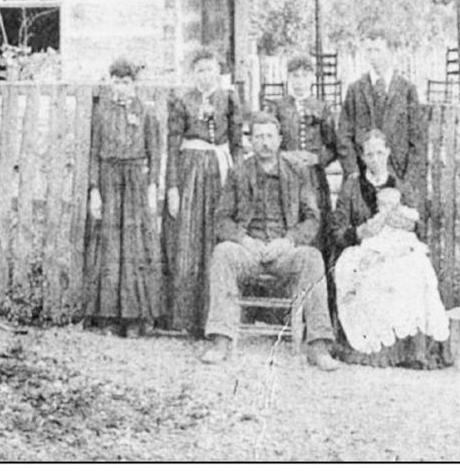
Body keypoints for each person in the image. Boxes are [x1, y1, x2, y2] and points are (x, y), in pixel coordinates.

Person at [199, 112, 340, 371]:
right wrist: (244, 240)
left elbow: (312, 218)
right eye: (258, 136)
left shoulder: (297, 172)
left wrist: (289, 241)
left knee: (312, 258)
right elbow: (222, 219)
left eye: (269, 136)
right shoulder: (238, 173)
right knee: (222, 253)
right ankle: (221, 339)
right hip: (248, 251)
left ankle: (319, 346)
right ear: (251, 141)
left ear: (280, 139)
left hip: (284, 252)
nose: (264, 142)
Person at [331, 129, 451, 368]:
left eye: (379, 153)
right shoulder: (352, 186)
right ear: (363, 158)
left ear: (387, 153)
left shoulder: (401, 186)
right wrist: (361, 231)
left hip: (397, 248)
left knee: (416, 269)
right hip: (362, 249)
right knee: (368, 275)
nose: (375, 159)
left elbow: (417, 224)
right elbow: (337, 231)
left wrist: (403, 224)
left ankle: (412, 349)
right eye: (369, 155)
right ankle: (378, 349)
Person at [164, 48, 243, 336]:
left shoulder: (229, 99)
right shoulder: (182, 101)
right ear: (193, 73)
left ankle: (217, 318)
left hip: (221, 174)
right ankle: (187, 319)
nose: (205, 75)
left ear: (218, 73)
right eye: (200, 70)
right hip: (191, 175)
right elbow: (172, 146)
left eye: (210, 69)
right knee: (189, 241)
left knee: (216, 239)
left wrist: (237, 181)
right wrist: (172, 186)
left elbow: (236, 145)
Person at [85, 58, 163, 335]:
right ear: (110, 83)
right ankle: (107, 316)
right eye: (116, 81)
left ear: (134, 84)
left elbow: (155, 153)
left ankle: (134, 318)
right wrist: (94, 190)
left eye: (126, 82)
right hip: (108, 180)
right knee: (109, 245)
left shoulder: (146, 113)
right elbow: (94, 153)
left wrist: (153, 186)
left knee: (135, 246)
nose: (121, 87)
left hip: (135, 182)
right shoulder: (102, 112)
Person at [267, 52, 340, 255]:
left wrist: (317, 158)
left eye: (304, 75)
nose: (299, 81)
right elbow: (271, 140)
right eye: (295, 76)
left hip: (314, 177)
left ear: (312, 78)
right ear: (288, 78)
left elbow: (334, 146)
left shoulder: (322, 107)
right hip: (286, 175)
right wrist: (285, 157)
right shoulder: (278, 107)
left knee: (316, 221)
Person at [337, 33, 424, 189]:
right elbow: (344, 135)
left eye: (378, 50)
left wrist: (408, 181)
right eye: (369, 51)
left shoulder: (407, 90)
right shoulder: (355, 90)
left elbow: (417, 140)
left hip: (397, 174)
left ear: (390, 52)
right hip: (363, 177)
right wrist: (353, 172)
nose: (373, 56)